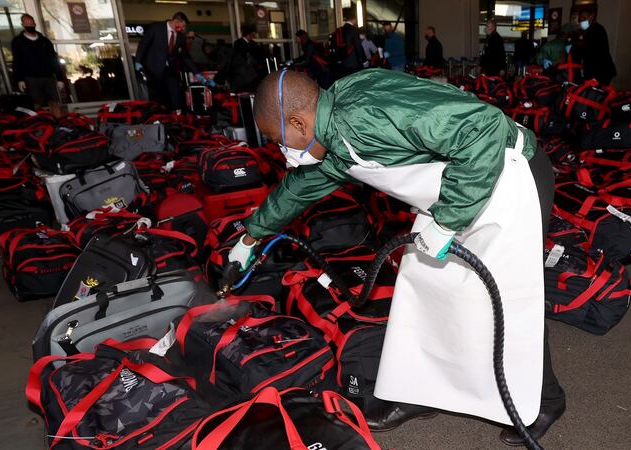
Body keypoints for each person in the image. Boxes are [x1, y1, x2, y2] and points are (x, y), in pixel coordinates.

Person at [226, 68, 566, 444]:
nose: (280, 150)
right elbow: (301, 186)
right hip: (457, 188)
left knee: (505, 297)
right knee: (424, 289)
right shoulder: (330, 134)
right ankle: (421, 392)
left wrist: (447, 221)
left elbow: (483, 128)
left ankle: (545, 401)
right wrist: (253, 234)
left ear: (297, 121)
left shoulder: (366, 112)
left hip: (507, 177)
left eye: (278, 140)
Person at [134, 12, 210, 111]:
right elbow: (144, 44)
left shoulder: (180, 37)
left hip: (168, 69)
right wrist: (138, 60)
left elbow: (185, 57)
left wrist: (197, 73)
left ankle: (176, 113)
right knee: (158, 95)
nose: (183, 29)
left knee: (175, 89)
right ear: (176, 21)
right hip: (152, 68)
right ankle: (159, 117)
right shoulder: (156, 28)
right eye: (182, 26)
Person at [11, 14, 65, 117]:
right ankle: (37, 124)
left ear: (34, 23)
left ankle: (59, 124)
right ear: (23, 24)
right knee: (35, 103)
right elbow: (17, 61)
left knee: (54, 102)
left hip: (48, 76)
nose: (30, 25)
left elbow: (53, 59)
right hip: (31, 78)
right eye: (27, 23)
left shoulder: (44, 41)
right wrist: (19, 79)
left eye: (31, 23)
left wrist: (59, 78)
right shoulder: (18, 42)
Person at [216, 25, 267, 93]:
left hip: (251, 69)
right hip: (242, 70)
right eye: (252, 34)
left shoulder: (253, 44)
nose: (253, 36)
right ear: (248, 34)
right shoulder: (238, 43)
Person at [577, 11, 616, 85]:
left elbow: (589, 51)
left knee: (595, 94)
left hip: (600, 71)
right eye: (580, 19)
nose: (581, 21)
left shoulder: (594, 30)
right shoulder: (593, 29)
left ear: (591, 17)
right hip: (601, 70)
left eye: (584, 18)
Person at [330, 11, 366, 78]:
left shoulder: (339, 30)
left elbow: (334, 45)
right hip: (353, 61)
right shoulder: (353, 30)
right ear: (354, 19)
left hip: (342, 60)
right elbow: (358, 46)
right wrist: (364, 60)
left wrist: (338, 59)